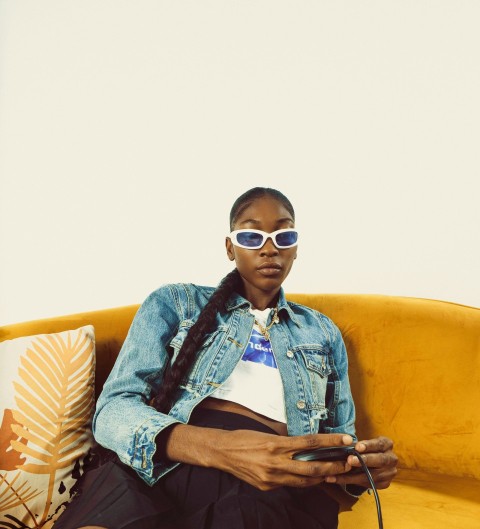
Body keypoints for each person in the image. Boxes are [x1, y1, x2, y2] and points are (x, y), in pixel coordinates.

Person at [54, 187, 397, 529]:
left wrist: (358, 472)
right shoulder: (176, 302)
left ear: (295, 248)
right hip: (161, 466)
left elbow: (338, 438)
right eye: (251, 236)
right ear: (230, 248)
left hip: (271, 484)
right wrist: (222, 449)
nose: (269, 248)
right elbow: (113, 411)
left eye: (283, 235)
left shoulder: (321, 331)